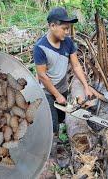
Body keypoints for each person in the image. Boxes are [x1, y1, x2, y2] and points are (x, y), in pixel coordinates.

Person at [33, 7, 93, 135]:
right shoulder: (40, 47)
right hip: (47, 92)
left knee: (61, 119)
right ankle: (52, 149)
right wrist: (57, 95)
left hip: (63, 87)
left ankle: (60, 141)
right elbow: (42, 75)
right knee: (51, 125)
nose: (67, 32)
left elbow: (76, 66)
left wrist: (86, 86)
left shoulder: (68, 42)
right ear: (52, 26)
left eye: (68, 29)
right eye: (65, 28)